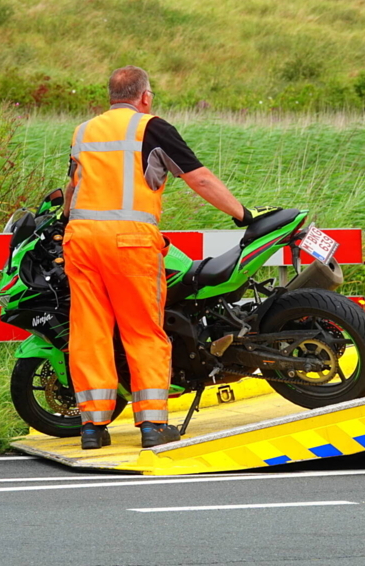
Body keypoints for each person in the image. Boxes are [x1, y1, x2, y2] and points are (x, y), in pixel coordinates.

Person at [63, 65, 276, 450]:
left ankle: (92, 428)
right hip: (130, 243)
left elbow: (72, 187)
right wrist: (243, 215)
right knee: (143, 331)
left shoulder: (84, 131)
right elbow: (200, 179)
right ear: (145, 97)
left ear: (110, 98)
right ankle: (152, 424)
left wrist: (65, 218)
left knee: (90, 332)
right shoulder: (151, 127)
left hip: (80, 241)